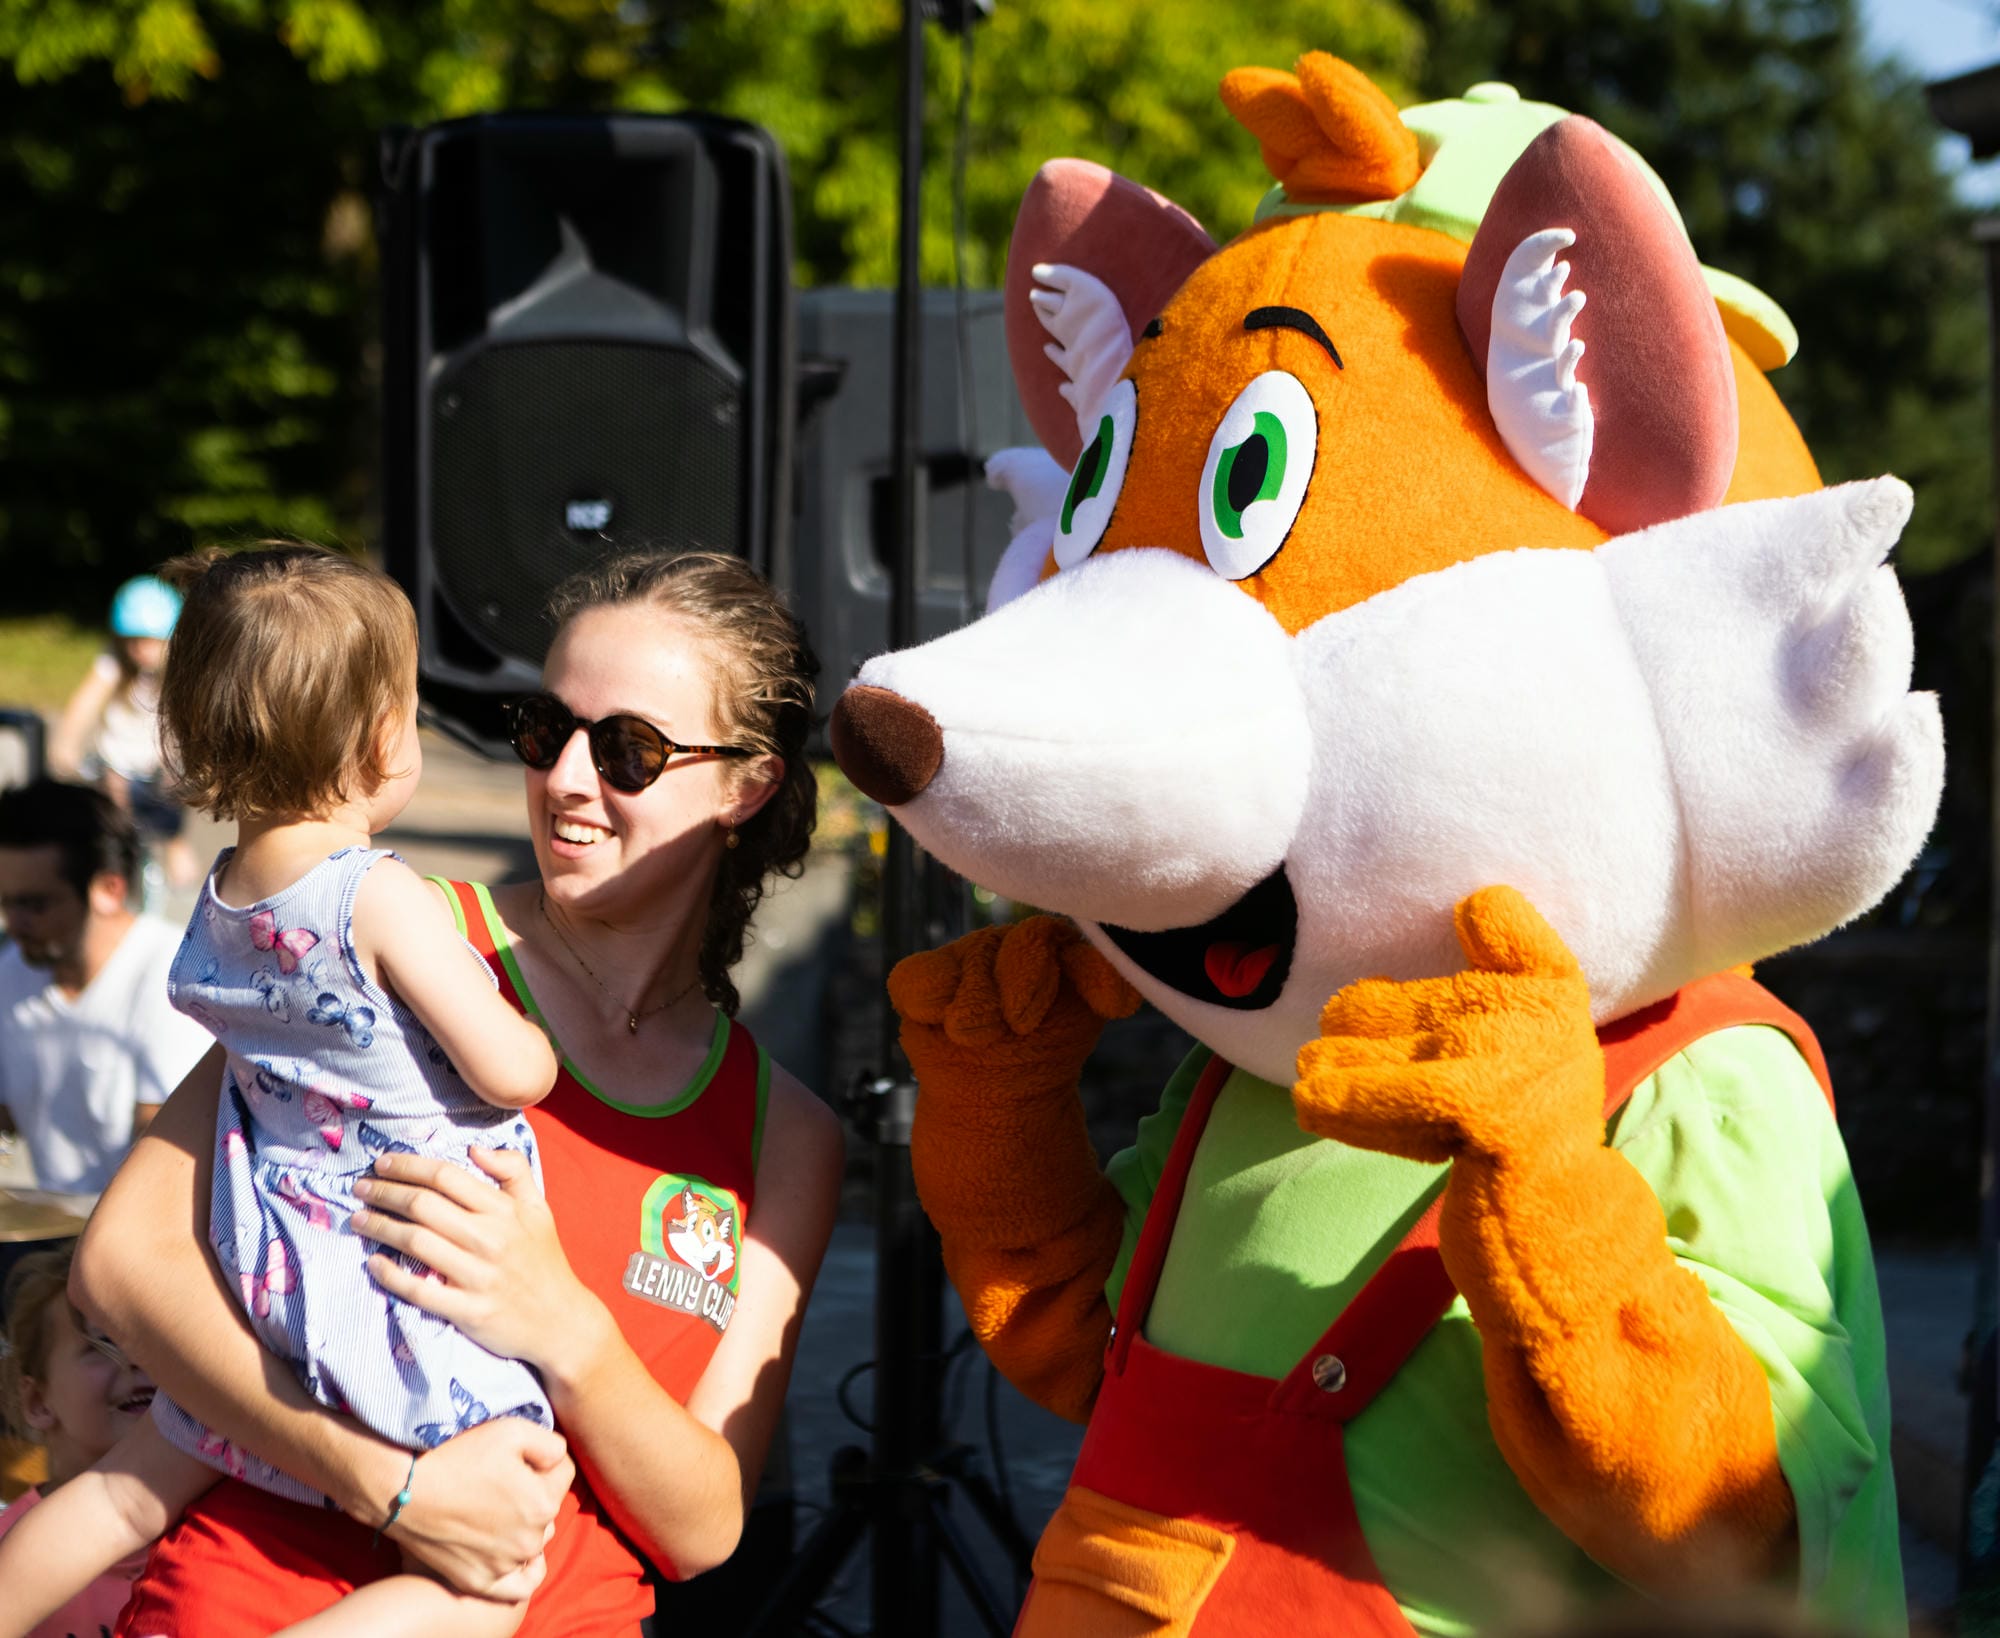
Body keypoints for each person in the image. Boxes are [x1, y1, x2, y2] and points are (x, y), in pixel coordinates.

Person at [70, 547, 844, 1635]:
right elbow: (122, 1266)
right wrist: (380, 1480)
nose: (567, 778)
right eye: (545, 729)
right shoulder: (386, 929)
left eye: (630, 750)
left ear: (744, 784)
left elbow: (704, 1527)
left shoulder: (785, 1133)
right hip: (255, 1602)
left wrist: (564, 1327)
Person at [0, 542, 565, 1638]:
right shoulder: (377, 896)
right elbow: (511, 1069)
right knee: (495, 1581)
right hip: (387, 1277)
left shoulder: (219, 896)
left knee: (126, 1486)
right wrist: (530, 1029)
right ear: (376, 740)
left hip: (263, 1265)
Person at [0, 778, 211, 1192]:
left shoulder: (170, 979)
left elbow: (167, 1165)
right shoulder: (12, 971)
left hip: (137, 1237)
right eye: (5, 903)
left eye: (35, 904)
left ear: (109, 889)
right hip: (53, 1233)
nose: (15, 923)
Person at [0, 1246, 156, 1638]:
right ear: (37, 1402)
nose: (137, 1359)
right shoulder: (10, 1550)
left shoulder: (226, 1525)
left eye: (152, 1340)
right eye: (102, 1345)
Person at [50, 574, 199, 894]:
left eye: (151, 642)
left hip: (159, 758)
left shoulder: (178, 671)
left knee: (173, 790)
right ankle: (113, 860)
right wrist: (66, 744)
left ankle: (175, 844)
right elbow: (85, 702)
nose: (140, 651)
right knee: (112, 804)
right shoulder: (114, 664)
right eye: (132, 641)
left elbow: (192, 719)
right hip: (117, 759)